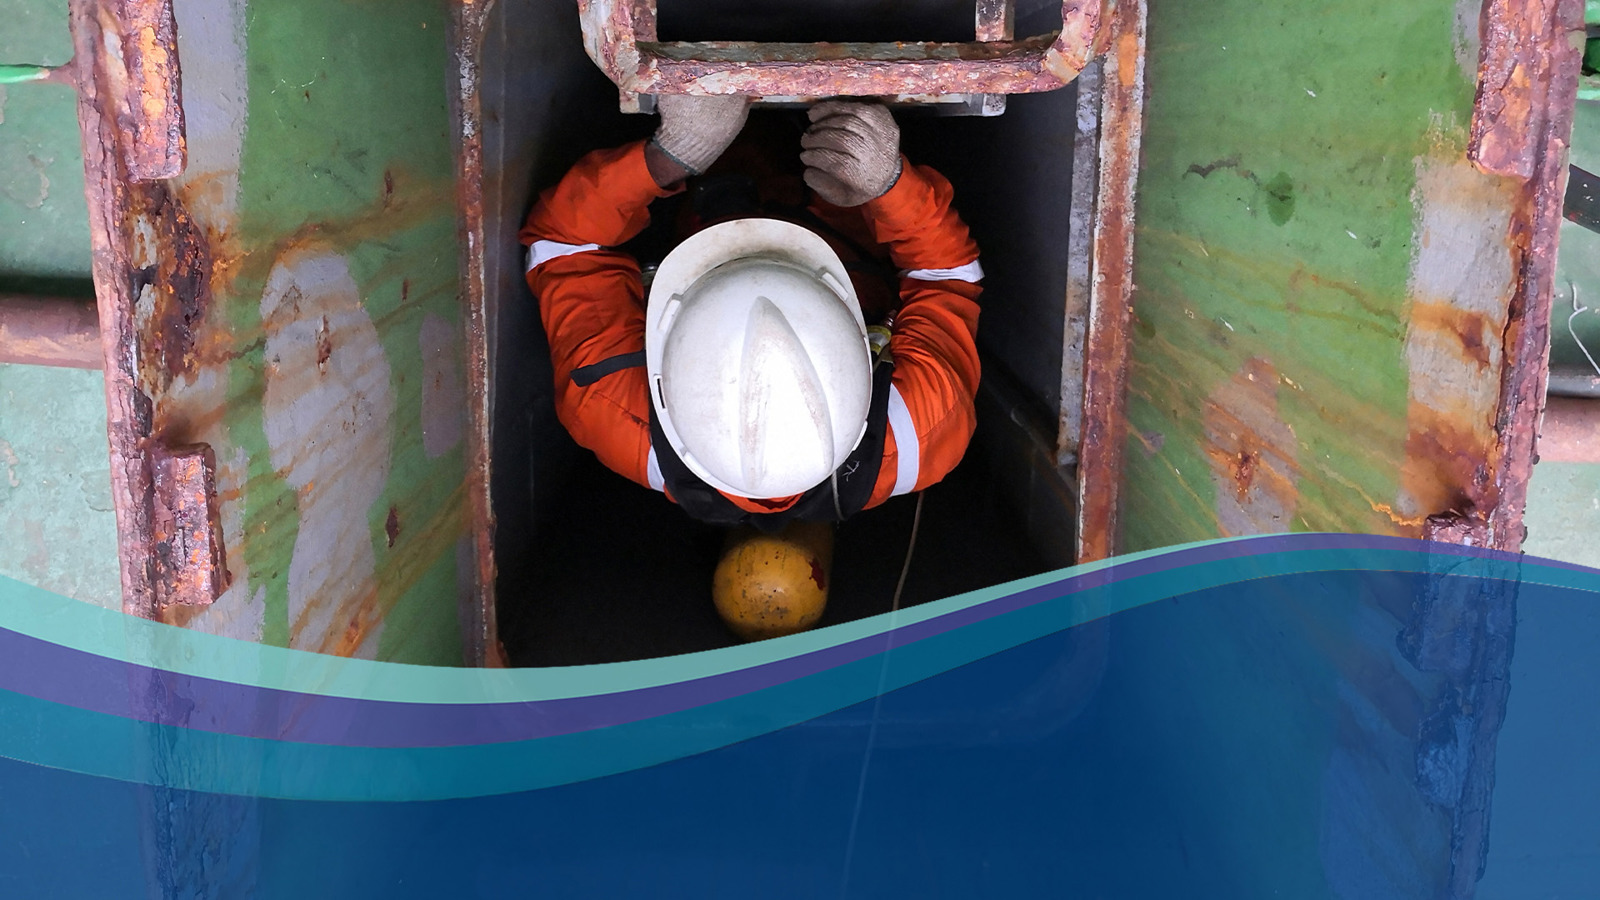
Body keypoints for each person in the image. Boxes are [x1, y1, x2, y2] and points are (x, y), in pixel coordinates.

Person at [519, 95, 984, 638]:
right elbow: (945, 276)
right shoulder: (920, 427)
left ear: (665, 376)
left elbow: (565, 245)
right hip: (844, 216)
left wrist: (669, 158)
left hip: (708, 201)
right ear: (862, 357)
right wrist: (888, 187)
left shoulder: (615, 409)